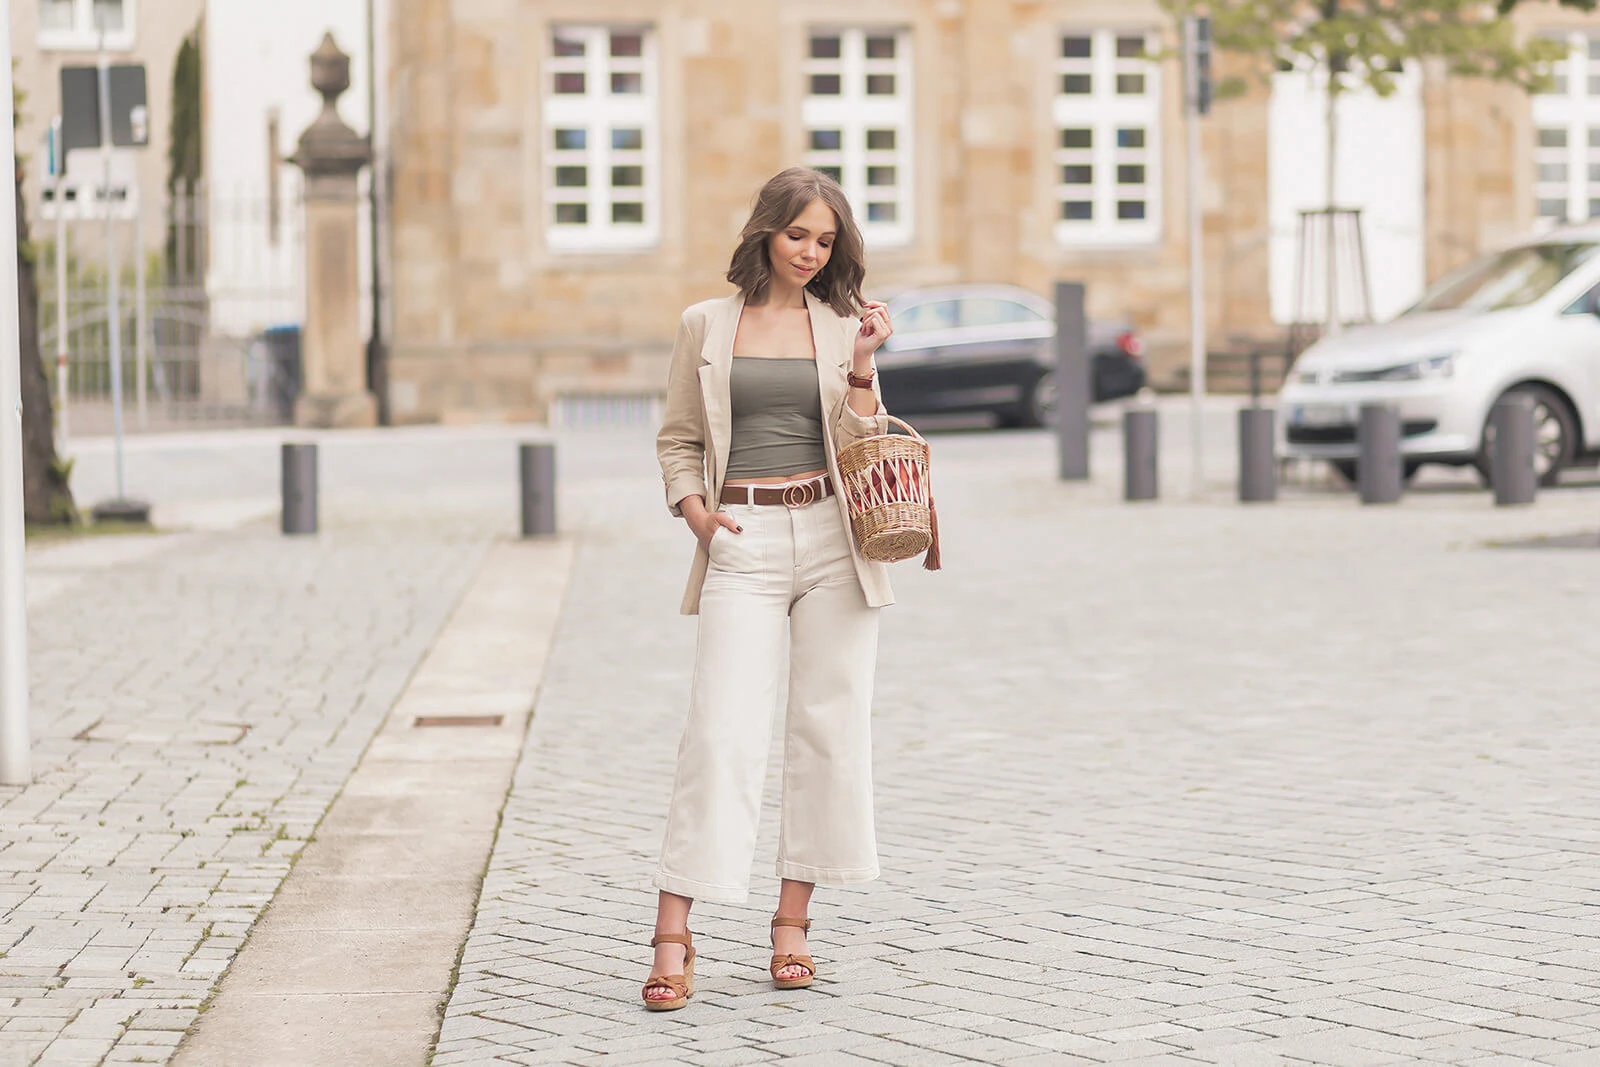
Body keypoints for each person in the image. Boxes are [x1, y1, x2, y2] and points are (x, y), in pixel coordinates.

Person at [642, 167, 896, 1010]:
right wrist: (695, 514)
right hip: (741, 540)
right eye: (798, 235)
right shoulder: (706, 325)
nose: (810, 253)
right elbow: (679, 435)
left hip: (832, 538)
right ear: (765, 232)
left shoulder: (840, 324)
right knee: (719, 733)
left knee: (828, 730)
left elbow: (864, 439)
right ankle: (673, 931)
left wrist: (862, 366)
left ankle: (793, 924)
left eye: (825, 241)